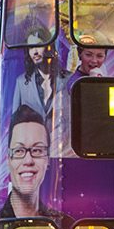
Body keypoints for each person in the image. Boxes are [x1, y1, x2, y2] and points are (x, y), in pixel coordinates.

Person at [0, 104, 74, 226]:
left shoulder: (67, 225)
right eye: (19, 151)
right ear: (8, 159)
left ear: (48, 160)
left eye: (37, 150)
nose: (28, 160)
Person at [12, 25, 72, 156]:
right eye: (30, 48)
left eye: (38, 45)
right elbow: (15, 125)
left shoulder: (69, 80)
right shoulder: (22, 83)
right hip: (34, 155)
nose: (34, 52)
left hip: (65, 152)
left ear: (48, 46)